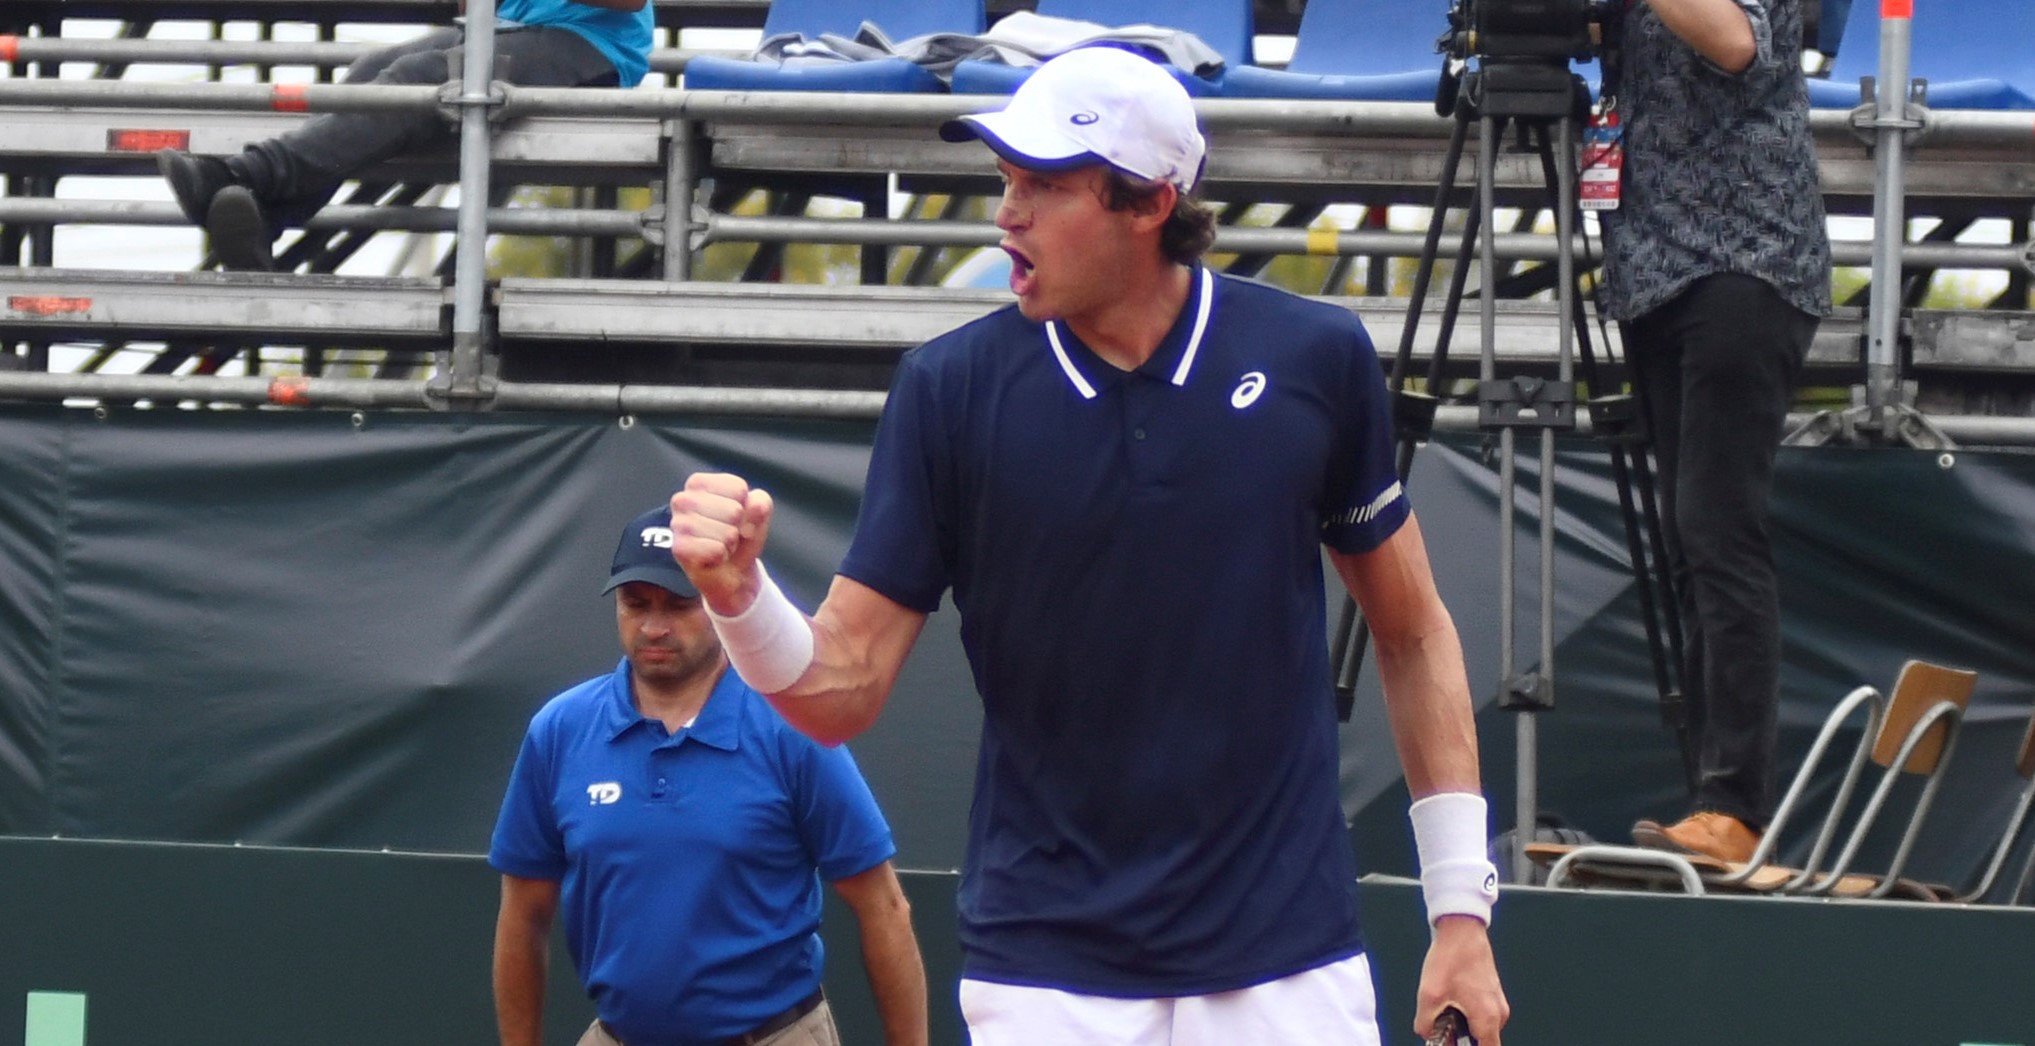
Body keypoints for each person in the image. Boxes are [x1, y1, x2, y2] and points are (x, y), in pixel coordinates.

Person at [668, 46, 1509, 1046]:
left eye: (1043, 185)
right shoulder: (947, 391)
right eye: (1005, 180)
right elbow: (838, 690)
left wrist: (1460, 910)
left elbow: (1411, 633)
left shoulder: (1314, 359)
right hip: (1043, 977)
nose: (1005, 214)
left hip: (1288, 963)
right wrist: (738, 596)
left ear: (1150, 202)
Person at [488, 505, 928, 1046]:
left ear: (719, 604)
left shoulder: (791, 725)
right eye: (635, 603)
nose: (654, 626)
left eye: (679, 604)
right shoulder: (560, 730)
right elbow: (523, 914)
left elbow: (883, 907)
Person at [1599, 0, 1831, 865]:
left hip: (1743, 259)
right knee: (1687, 543)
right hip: (1653, 269)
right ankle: (1708, 799)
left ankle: (1734, 807)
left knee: (1717, 532)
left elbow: (1738, 42)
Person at [155, 0, 653, 272]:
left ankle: (245, 177)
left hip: (591, 45)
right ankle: (263, 217)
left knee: (421, 77)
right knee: (370, 70)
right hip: (512, 28)